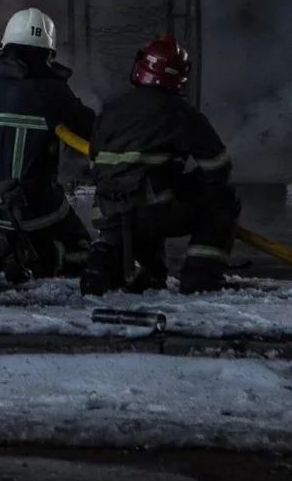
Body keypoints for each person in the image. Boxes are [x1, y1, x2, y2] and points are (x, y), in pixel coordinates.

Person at [0, 8, 96, 284]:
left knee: (21, 218)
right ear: (48, 54)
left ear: (5, 47)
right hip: (38, 207)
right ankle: (42, 255)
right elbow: (92, 132)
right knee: (88, 254)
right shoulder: (53, 93)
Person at [83, 34, 238, 295]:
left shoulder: (111, 110)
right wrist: (186, 183)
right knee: (224, 198)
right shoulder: (181, 114)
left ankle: (106, 256)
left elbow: (94, 163)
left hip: (106, 212)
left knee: (150, 272)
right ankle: (200, 278)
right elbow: (219, 168)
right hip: (151, 212)